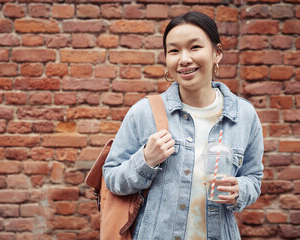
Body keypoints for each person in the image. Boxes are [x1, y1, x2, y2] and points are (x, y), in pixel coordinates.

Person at [103, 11, 264, 240]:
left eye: (195, 47)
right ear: (166, 59)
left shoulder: (243, 115)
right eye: (174, 51)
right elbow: (111, 178)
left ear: (217, 53)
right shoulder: (144, 112)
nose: (184, 59)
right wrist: (146, 160)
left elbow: (253, 178)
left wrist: (241, 190)